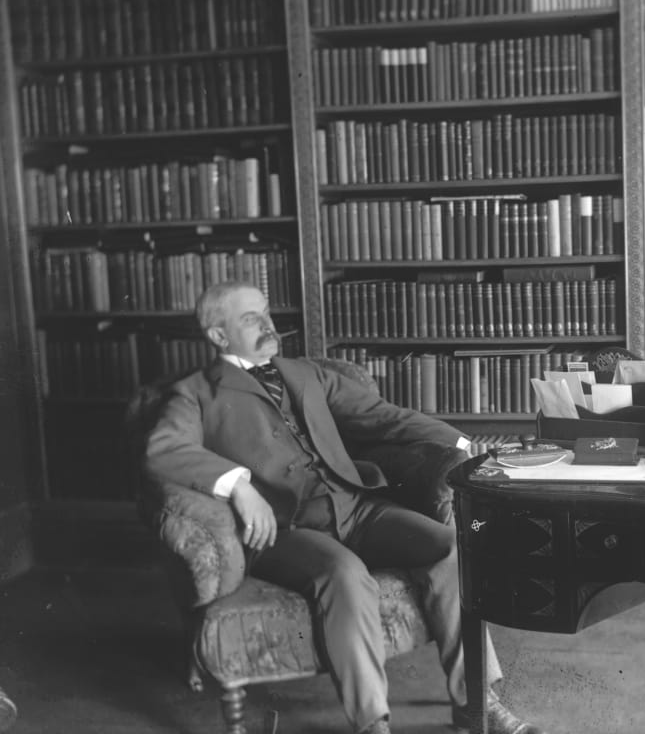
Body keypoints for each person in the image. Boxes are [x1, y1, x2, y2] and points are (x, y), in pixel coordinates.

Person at [145, 280, 545, 734]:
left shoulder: (305, 372)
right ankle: (373, 723)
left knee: (451, 547)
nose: (269, 325)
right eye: (251, 318)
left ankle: (477, 704)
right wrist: (239, 486)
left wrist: (459, 441)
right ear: (218, 336)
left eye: (267, 312)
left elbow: (381, 416)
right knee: (345, 574)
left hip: (356, 507)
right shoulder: (195, 393)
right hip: (287, 529)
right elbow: (162, 448)